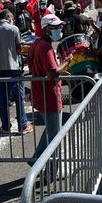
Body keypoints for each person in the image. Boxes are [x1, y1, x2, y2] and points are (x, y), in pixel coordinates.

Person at [27, 14, 72, 168]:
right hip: (49, 95)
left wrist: (59, 71)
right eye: (56, 28)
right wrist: (65, 63)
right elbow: (52, 73)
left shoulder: (36, 43)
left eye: (60, 27)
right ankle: (52, 171)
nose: (60, 30)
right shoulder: (45, 47)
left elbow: (41, 68)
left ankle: (36, 158)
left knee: (51, 130)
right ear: (47, 30)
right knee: (55, 136)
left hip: (41, 93)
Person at [0, 9, 32, 134]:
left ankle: (6, 125)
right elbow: (19, 47)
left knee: (2, 99)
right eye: (11, 17)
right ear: (8, 17)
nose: (12, 19)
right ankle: (22, 125)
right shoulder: (13, 29)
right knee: (19, 98)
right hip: (12, 67)